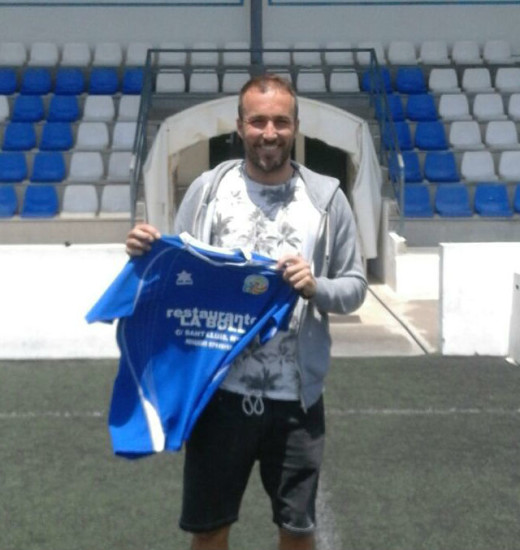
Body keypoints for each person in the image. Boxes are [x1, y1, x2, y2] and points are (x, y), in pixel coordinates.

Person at [125, 74, 367, 550]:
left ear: (296, 126)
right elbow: (179, 276)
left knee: (297, 533)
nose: (269, 132)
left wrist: (316, 288)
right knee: (210, 529)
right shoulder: (207, 191)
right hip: (218, 397)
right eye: (258, 121)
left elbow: (355, 287)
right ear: (240, 126)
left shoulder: (327, 200)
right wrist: (145, 256)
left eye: (280, 121)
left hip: (296, 400)